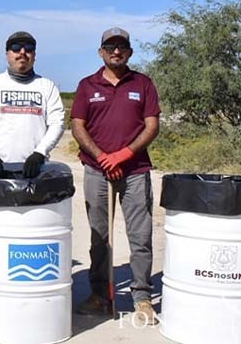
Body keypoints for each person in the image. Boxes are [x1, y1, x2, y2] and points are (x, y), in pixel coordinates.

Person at [70, 27, 160, 324]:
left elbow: (151, 126)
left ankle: (142, 296)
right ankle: (100, 294)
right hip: (97, 170)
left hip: (135, 171)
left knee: (140, 236)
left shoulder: (143, 83)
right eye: (110, 47)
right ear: (101, 52)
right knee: (100, 237)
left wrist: (124, 154)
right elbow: (78, 126)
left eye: (122, 47)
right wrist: (102, 157)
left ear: (130, 52)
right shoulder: (87, 85)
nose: (116, 51)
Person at [0, 31, 65, 178]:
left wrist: (39, 153)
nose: (22, 52)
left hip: (35, 170)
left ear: (34, 55)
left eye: (28, 48)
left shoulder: (47, 86)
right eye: (16, 48)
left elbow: (57, 123)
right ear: (7, 54)